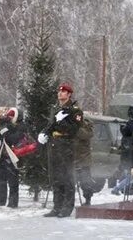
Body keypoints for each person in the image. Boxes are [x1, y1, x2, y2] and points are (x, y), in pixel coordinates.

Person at [37, 82, 83, 218]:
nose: (60, 93)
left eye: (63, 92)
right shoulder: (58, 110)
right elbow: (51, 125)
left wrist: (62, 121)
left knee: (67, 177)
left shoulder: (75, 111)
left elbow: (73, 130)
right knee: (55, 177)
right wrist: (44, 133)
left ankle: (67, 207)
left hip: (66, 146)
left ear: (69, 94)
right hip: (55, 146)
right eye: (59, 91)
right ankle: (57, 207)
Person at [0, 108, 28, 208]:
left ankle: (13, 203)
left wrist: (4, 128)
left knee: (13, 180)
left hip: (14, 157)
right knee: (1, 179)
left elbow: (12, 139)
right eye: (9, 116)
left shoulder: (22, 126)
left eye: (12, 116)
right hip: (3, 155)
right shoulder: (8, 125)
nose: (10, 118)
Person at [74, 116, 95, 206]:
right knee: (73, 180)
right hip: (75, 159)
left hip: (83, 160)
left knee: (85, 181)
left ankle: (88, 199)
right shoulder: (81, 127)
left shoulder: (84, 128)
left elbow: (83, 134)